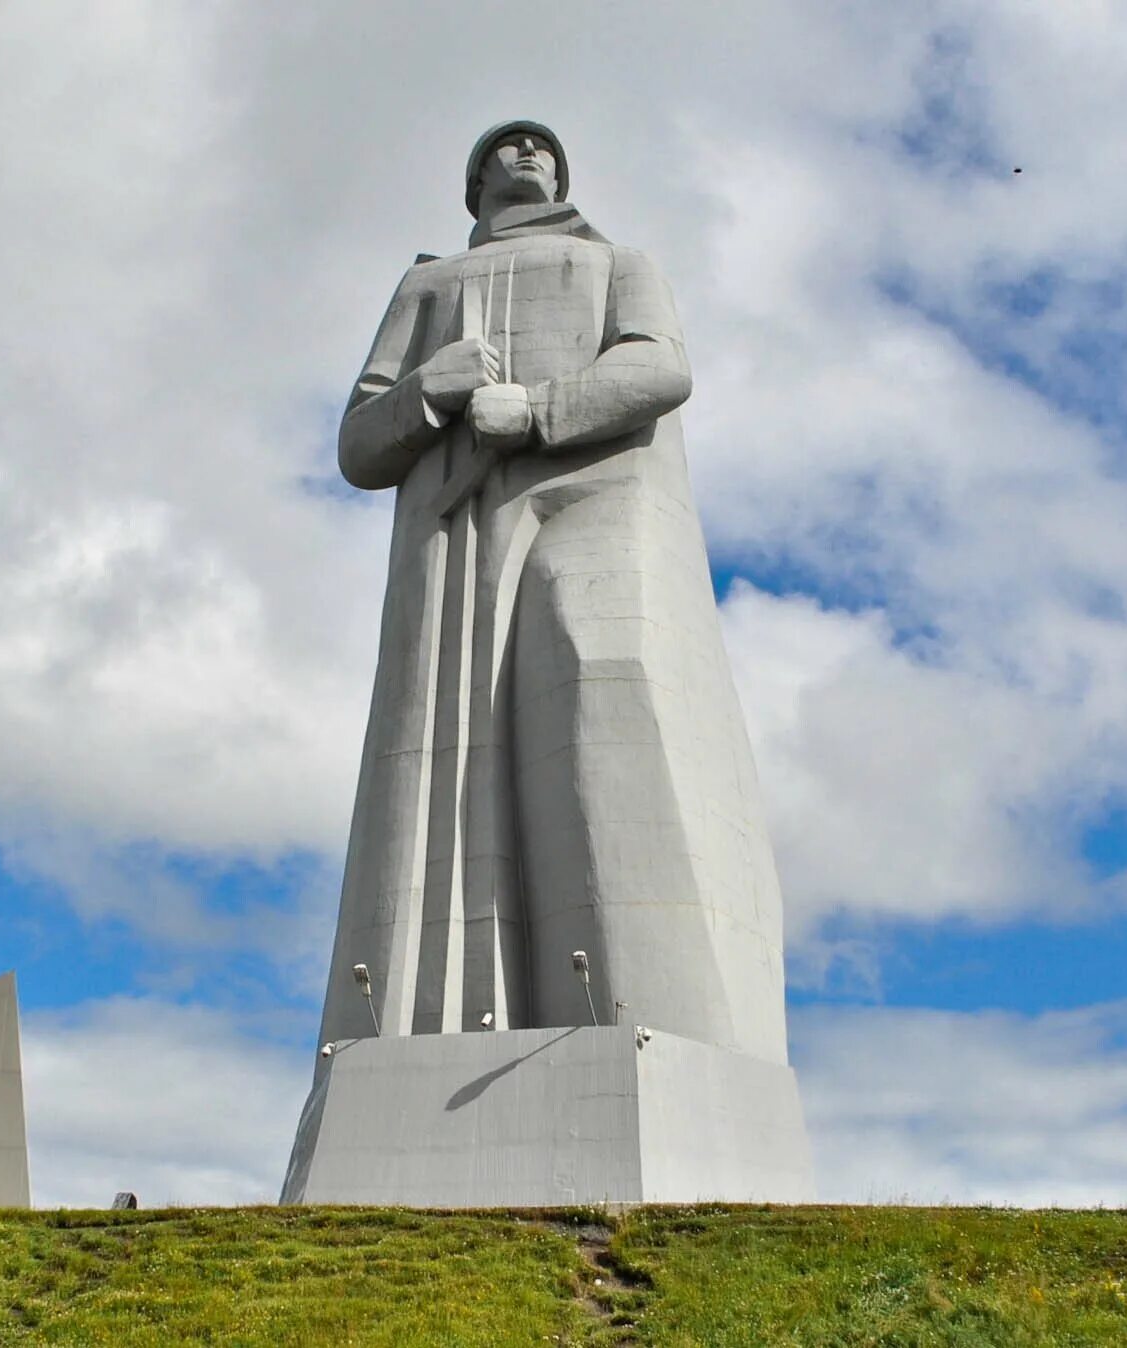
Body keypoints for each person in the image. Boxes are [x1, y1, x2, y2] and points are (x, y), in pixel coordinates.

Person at [314, 120, 789, 1066]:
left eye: (543, 146)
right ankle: (439, 1023)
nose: (528, 152)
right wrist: (430, 388)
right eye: (508, 145)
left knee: (603, 691)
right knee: (447, 752)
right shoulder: (428, 286)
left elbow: (660, 365)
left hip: (599, 502)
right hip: (453, 545)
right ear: (475, 180)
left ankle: (646, 1016)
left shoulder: (618, 263)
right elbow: (360, 446)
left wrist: (537, 409)